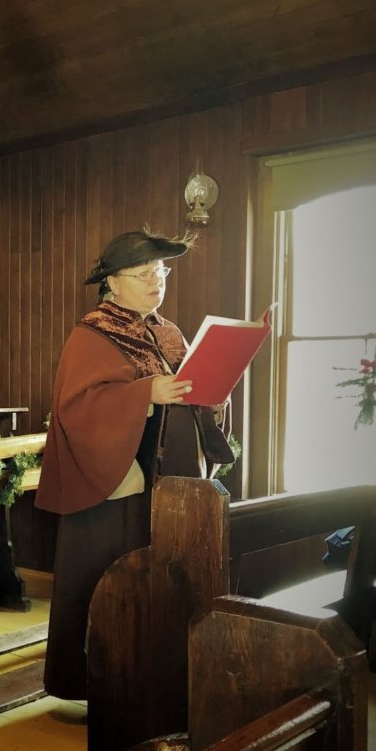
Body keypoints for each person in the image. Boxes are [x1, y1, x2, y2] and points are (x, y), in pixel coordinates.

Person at [35, 228, 233, 700]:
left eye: (160, 271)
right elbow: (76, 406)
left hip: (168, 484)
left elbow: (188, 392)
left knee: (163, 582)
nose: (155, 281)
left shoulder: (167, 331)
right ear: (112, 282)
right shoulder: (92, 333)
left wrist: (212, 398)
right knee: (111, 581)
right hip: (116, 485)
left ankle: (156, 680)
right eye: (143, 273)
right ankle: (102, 685)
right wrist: (146, 393)